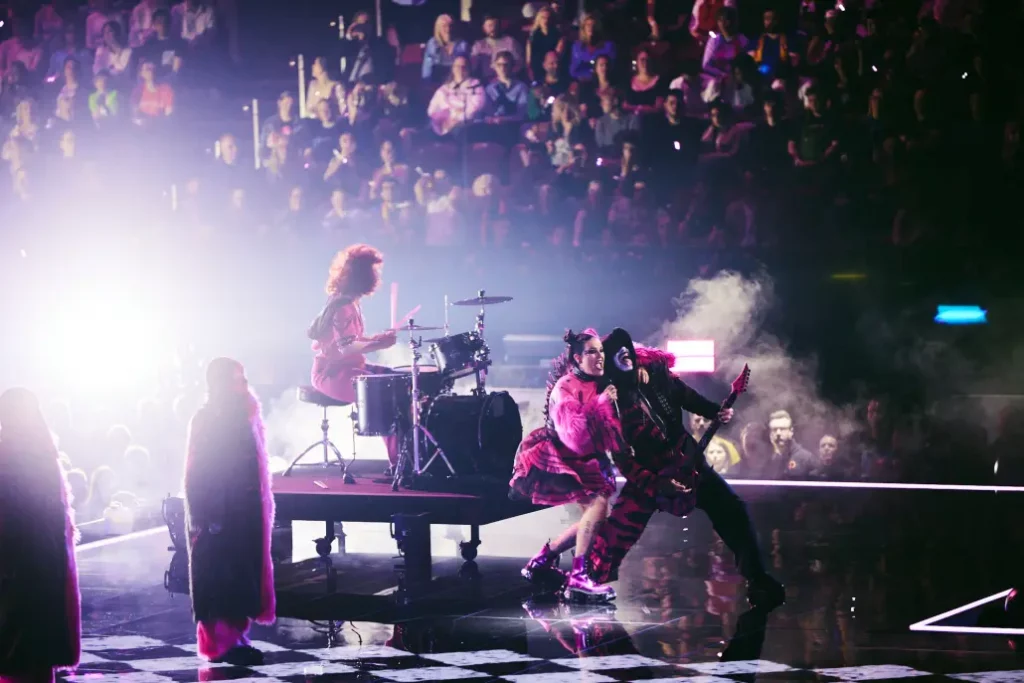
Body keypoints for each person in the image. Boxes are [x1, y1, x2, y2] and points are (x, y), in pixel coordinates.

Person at [588, 329, 785, 611]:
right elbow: (623, 460)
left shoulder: (658, 373)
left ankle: (757, 578)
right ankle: (586, 581)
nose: (627, 360)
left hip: (687, 461)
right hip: (649, 473)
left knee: (732, 510)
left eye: (628, 353)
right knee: (618, 531)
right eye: (619, 357)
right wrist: (656, 483)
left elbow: (686, 396)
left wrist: (714, 411)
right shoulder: (612, 403)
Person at [509, 329, 619, 602]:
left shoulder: (598, 381)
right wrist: (603, 402)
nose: (599, 357)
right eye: (592, 352)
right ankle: (578, 577)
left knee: (597, 516)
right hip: (565, 459)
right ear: (577, 359)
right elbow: (575, 437)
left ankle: (542, 559)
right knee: (597, 509)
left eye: (601, 351)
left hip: (589, 458)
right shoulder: (565, 387)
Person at [184, 358, 275, 665]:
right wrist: (208, 514)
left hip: (240, 509)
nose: (244, 384)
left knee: (238, 574)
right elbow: (198, 470)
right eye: (238, 379)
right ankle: (221, 643)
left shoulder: (242, 416)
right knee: (218, 576)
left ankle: (233, 637)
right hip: (218, 511)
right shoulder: (209, 418)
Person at [0, 388, 82, 683]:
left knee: (16, 647)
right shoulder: (44, 454)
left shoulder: (9, 454)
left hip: (18, 563)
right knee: (36, 648)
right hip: (44, 561)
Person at [308, 244, 399, 466]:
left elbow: (349, 341)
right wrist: (379, 344)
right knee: (388, 395)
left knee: (397, 379)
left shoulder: (348, 302)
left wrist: (376, 339)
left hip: (348, 368)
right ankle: (398, 463)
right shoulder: (343, 307)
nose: (377, 277)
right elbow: (346, 348)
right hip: (333, 374)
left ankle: (401, 457)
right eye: (373, 271)